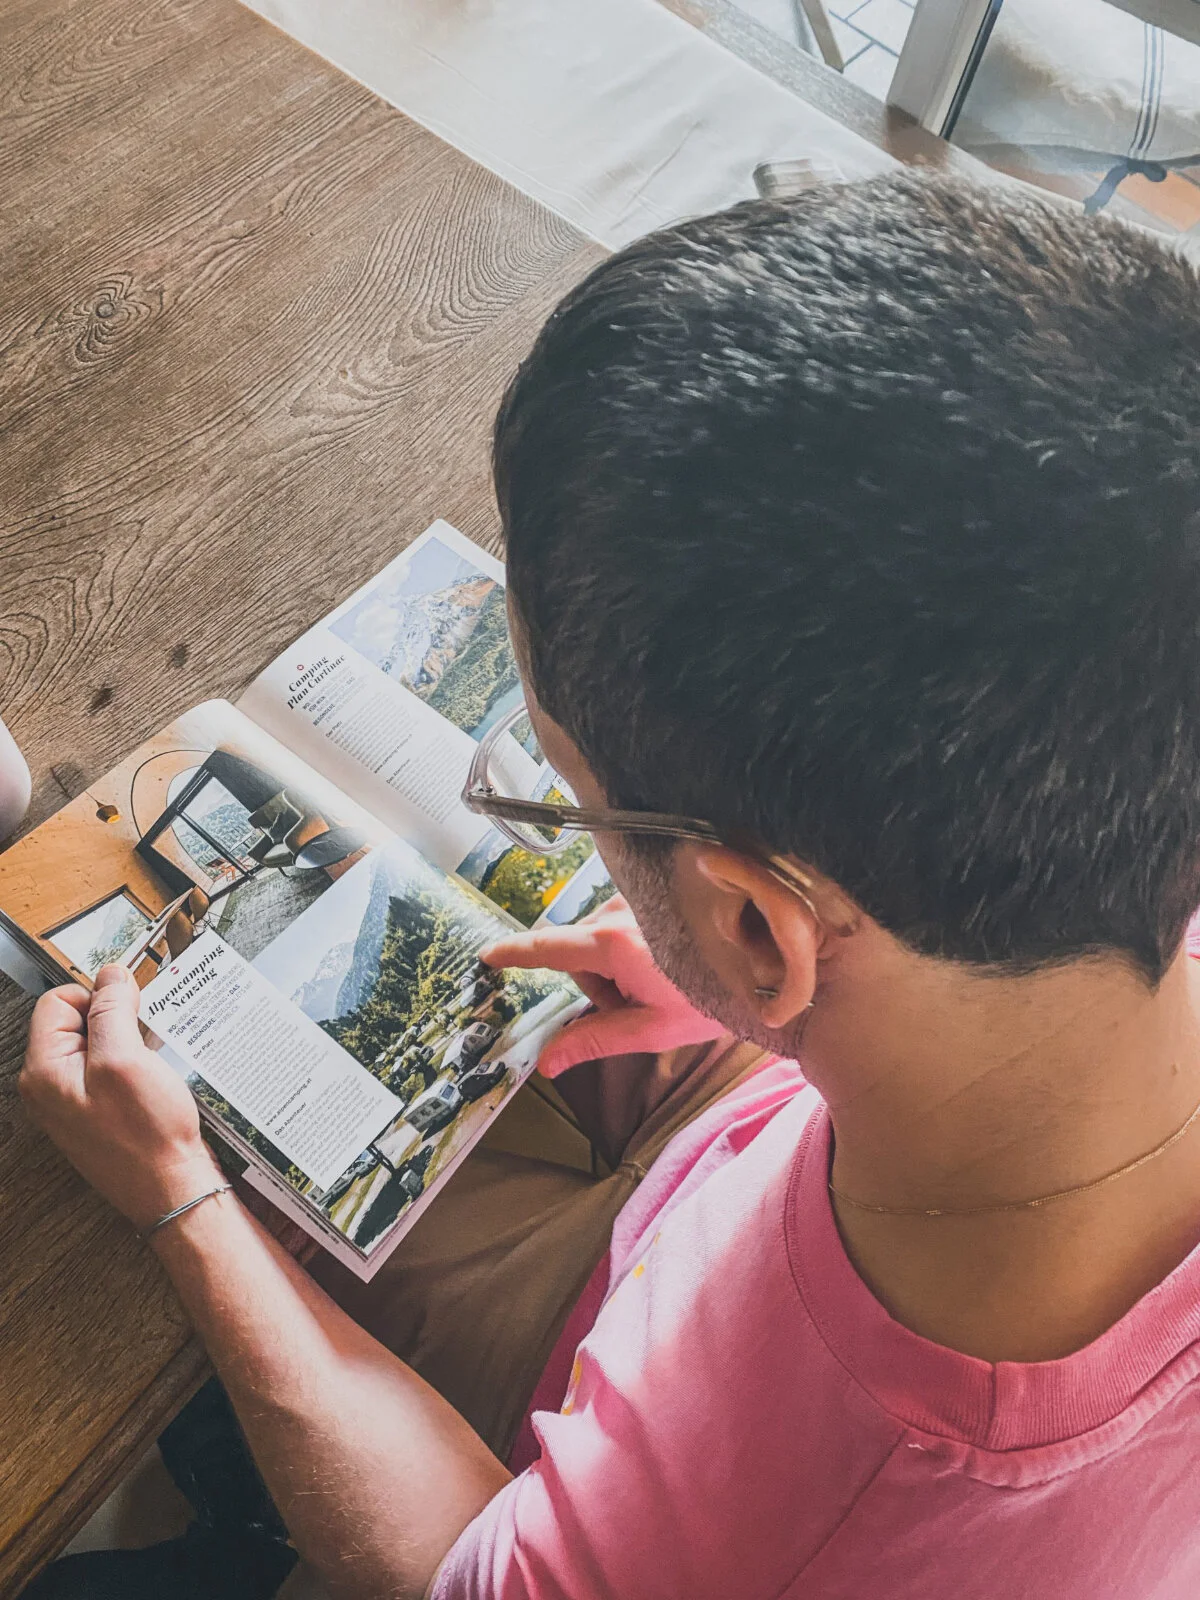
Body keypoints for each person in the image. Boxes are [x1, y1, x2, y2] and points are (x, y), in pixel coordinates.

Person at [19, 170, 1200, 1599]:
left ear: (758, 925)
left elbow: (462, 1562)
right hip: (761, 1127)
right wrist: (744, 1011)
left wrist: (177, 1196)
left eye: (562, 792)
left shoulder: (792, 1527)